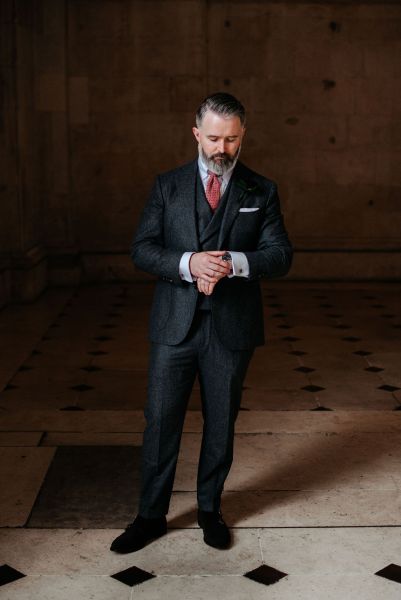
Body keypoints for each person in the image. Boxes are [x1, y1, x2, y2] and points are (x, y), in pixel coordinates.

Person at [110, 92, 292, 553]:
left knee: (220, 423)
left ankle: (210, 511)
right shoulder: (166, 186)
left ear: (243, 136)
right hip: (174, 324)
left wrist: (232, 262)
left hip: (231, 329)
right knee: (160, 422)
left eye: (231, 139)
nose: (222, 149)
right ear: (196, 134)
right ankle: (150, 516)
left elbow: (280, 255)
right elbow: (142, 249)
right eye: (213, 138)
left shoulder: (261, 189)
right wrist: (190, 262)